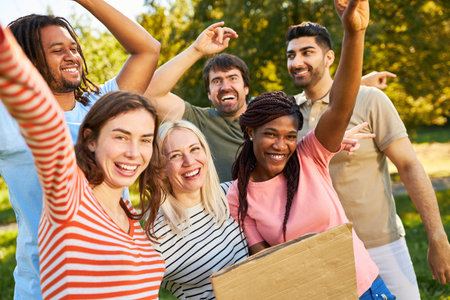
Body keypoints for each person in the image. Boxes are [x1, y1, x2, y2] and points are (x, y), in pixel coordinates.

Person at [227, 0, 395, 298]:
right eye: (270, 134)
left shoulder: (308, 155)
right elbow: (265, 260)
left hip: (364, 289)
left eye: (290, 135)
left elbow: (340, 107)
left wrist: (354, 34)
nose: (282, 145)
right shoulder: (238, 194)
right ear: (250, 132)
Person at [0, 1, 160, 298]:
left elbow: (148, 50)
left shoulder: (102, 107)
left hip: (123, 278)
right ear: (29, 60)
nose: (72, 55)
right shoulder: (9, 118)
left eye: (74, 47)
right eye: (57, 50)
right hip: (48, 287)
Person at [285, 20, 450, 297]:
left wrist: (436, 236)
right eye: (291, 55)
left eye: (306, 52)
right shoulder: (287, 115)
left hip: (380, 244)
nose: (297, 61)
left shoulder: (369, 100)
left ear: (329, 58)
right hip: (322, 253)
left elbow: (409, 166)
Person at [145, 22, 385, 182]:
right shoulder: (199, 120)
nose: (225, 86)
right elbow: (151, 95)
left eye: (232, 78)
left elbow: (306, 135)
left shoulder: (271, 115)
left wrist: (329, 140)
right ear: (209, 94)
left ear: (246, 87)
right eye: (216, 82)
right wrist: (196, 50)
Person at [153, 120, 248, 299]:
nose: (189, 161)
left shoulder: (233, 193)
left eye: (195, 149)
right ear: (161, 169)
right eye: (175, 156)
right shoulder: (157, 236)